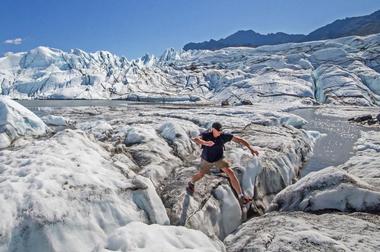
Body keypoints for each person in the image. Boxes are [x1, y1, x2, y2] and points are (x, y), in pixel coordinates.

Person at [186, 122, 259, 204]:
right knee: (201, 175)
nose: (220, 132)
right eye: (218, 130)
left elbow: (240, 140)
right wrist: (205, 143)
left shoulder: (223, 136)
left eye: (221, 130)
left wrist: (251, 149)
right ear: (213, 129)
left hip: (219, 159)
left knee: (230, 172)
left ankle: (240, 196)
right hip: (207, 160)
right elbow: (196, 139)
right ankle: (191, 183)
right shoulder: (206, 135)